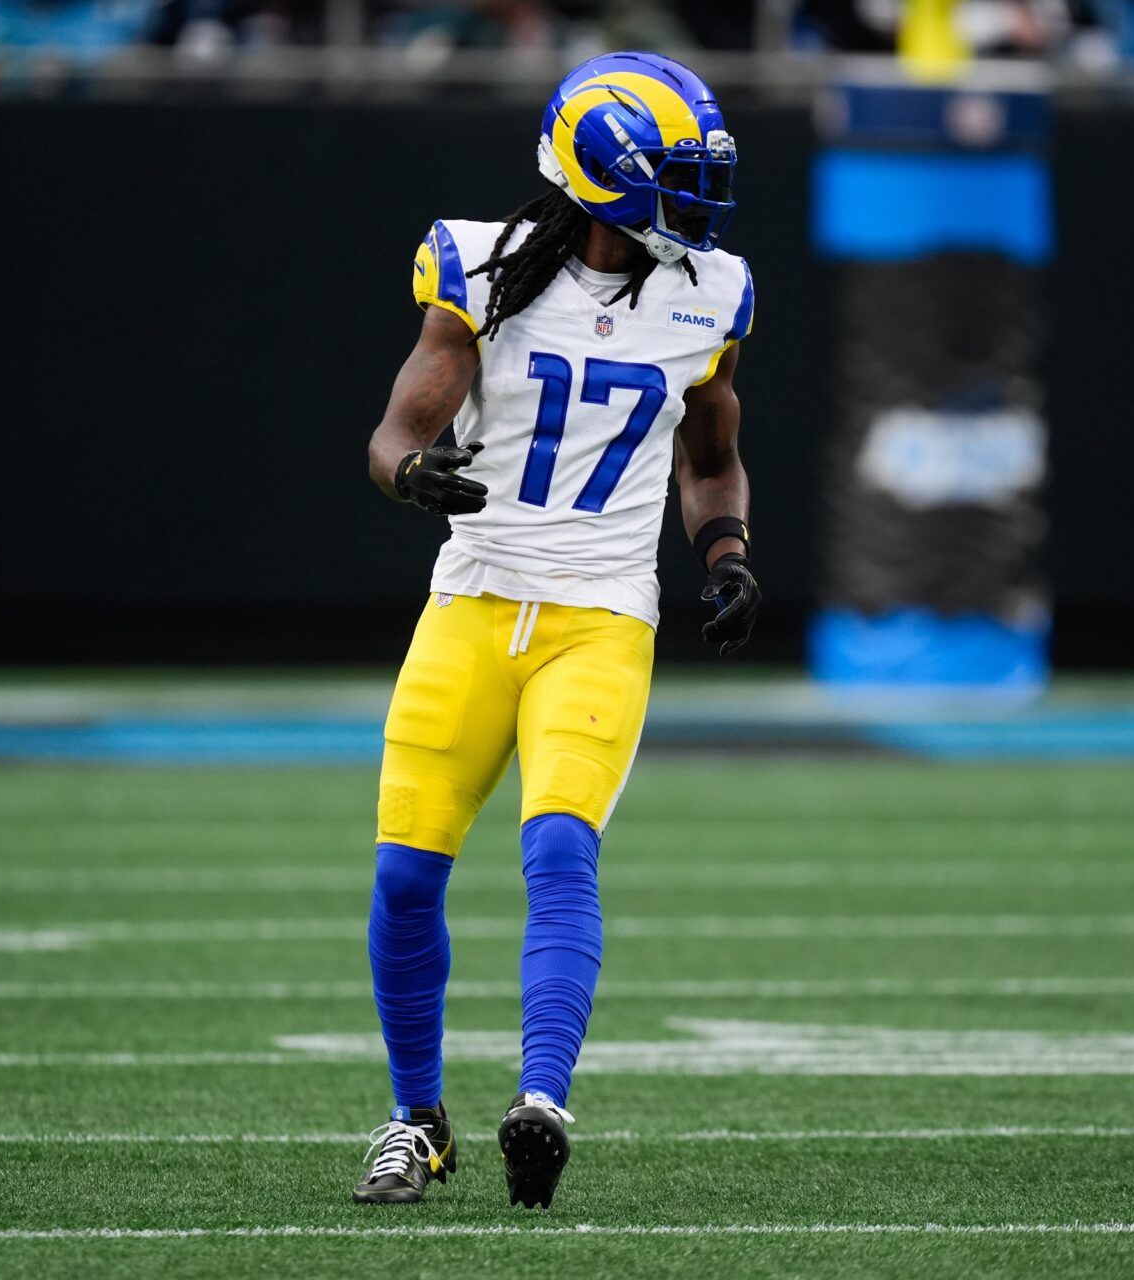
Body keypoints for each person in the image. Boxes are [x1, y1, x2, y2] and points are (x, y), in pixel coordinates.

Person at [351, 50, 760, 1210]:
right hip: (474, 603)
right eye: (676, 171)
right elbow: (394, 429)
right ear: (604, 168)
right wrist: (411, 473)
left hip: (600, 618)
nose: (699, 200)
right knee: (402, 876)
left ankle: (542, 1097)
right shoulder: (477, 264)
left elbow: (713, 458)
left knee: (560, 851)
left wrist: (725, 551)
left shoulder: (711, 293)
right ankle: (416, 1121)